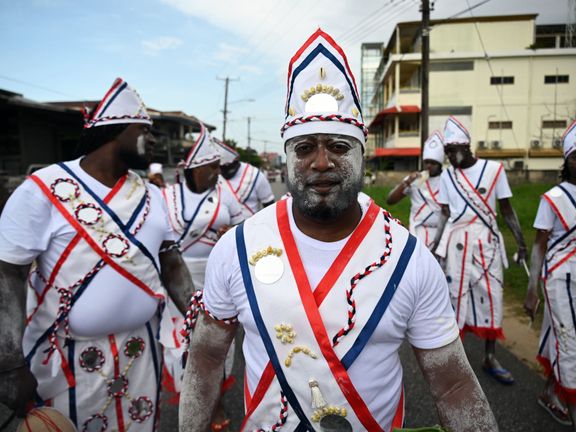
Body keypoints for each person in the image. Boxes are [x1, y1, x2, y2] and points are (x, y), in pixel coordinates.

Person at [179, 29, 497, 431]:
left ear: (363, 155)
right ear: (288, 156)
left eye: (339, 146)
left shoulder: (409, 259)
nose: (322, 162)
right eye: (305, 147)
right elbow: (206, 358)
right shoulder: (237, 248)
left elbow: (452, 387)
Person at [0, 78, 192, 431]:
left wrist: (200, 319)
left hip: (141, 354)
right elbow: (8, 274)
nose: (154, 140)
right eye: (144, 130)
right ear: (114, 132)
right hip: (62, 361)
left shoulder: (153, 196)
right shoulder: (43, 189)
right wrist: (9, 362)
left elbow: (171, 260)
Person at [432, 116, 527, 385]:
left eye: (452, 151)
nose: (449, 157)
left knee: (491, 294)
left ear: (466, 146)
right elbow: (445, 213)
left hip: (487, 243)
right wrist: (434, 246)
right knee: (456, 295)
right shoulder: (448, 176)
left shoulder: (494, 170)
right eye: (446, 152)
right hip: (457, 243)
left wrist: (520, 242)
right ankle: (456, 359)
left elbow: (507, 210)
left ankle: (490, 356)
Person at [524, 120, 576, 428]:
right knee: (569, 340)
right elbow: (539, 247)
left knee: (561, 335)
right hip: (559, 278)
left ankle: (547, 392)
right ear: (566, 160)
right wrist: (532, 291)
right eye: (575, 156)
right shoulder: (553, 198)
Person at [387, 131, 445, 248]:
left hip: (440, 234)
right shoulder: (414, 179)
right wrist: (407, 182)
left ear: (439, 164)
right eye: (427, 162)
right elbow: (390, 200)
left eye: (433, 163)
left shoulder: (447, 180)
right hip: (417, 232)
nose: (429, 166)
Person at [217, 139, 275, 218]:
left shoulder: (255, 175)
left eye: (229, 166)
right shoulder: (214, 176)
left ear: (236, 159)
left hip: (248, 228)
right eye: (222, 168)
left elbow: (269, 206)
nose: (226, 171)